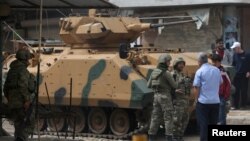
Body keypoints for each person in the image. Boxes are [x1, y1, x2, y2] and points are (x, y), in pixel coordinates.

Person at [4, 49, 36, 141]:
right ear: (25, 58)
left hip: (12, 102)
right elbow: (23, 86)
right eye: (28, 58)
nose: (29, 61)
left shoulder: (11, 71)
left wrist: (9, 98)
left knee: (18, 123)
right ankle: (21, 138)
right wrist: (27, 100)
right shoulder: (23, 71)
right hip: (21, 102)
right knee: (30, 122)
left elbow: (5, 87)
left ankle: (18, 137)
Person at [147, 54, 179, 141]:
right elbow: (175, 85)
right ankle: (169, 138)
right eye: (168, 61)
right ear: (164, 62)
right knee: (168, 118)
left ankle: (151, 137)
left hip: (156, 96)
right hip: (165, 96)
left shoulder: (154, 72)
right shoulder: (166, 73)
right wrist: (175, 78)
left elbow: (148, 85)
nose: (169, 63)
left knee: (155, 117)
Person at [193, 53, 222, 141]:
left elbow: (196, 87)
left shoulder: (200, 71)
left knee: (203, 125)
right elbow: (221, 82)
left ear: (199, 62)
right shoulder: (216, 70)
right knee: (213, 124)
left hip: (203, 102)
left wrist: (195, 100)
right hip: (215, 101)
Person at [171, 57, 192, 141]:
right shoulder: (172, 74)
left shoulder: (183, 75)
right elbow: (166, 87)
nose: (182, 65)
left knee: (185, 119)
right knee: (176, 120)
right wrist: (175, 90)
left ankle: (180, 136)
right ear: (176, 65)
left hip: (185, 102)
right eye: (180, 64)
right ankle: (175, 137)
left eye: (183, 64)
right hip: (177, 102)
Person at [210, 54, 231, 125]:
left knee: (221, 114)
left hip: (221, 96)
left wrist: (225, 96)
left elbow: (228, 84)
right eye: (213, 62)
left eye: (215, 62)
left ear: (219, 62)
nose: (213, 63)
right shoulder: (210, 71)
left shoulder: (223, 71)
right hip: (213, 96)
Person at [231, 42, 250, 109]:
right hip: (236, 75)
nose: (233, 50)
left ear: (238, 48)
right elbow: (233, 65)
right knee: (236, 91)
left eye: (234, 48)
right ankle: (235, 105)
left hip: (244, 75)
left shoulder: (247, 55)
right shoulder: (234, 55)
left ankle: (243, 105)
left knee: (244, 91)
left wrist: (249, 71)